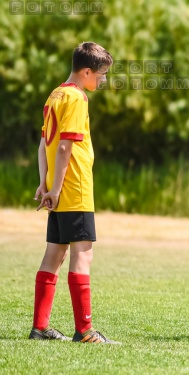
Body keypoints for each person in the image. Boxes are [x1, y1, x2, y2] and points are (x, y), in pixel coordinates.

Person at [30, 42, 119, 344]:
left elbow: (44, 145)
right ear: (86, 71)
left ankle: (40, 327)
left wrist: (45, 184)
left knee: (54, 252)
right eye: (100, 74)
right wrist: (54, 188)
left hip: (58, 188)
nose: (103, 80)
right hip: (75, 187)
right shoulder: (77, 97)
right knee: (84, 253)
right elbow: (65, 145)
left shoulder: (56, 94)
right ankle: (85, 332)